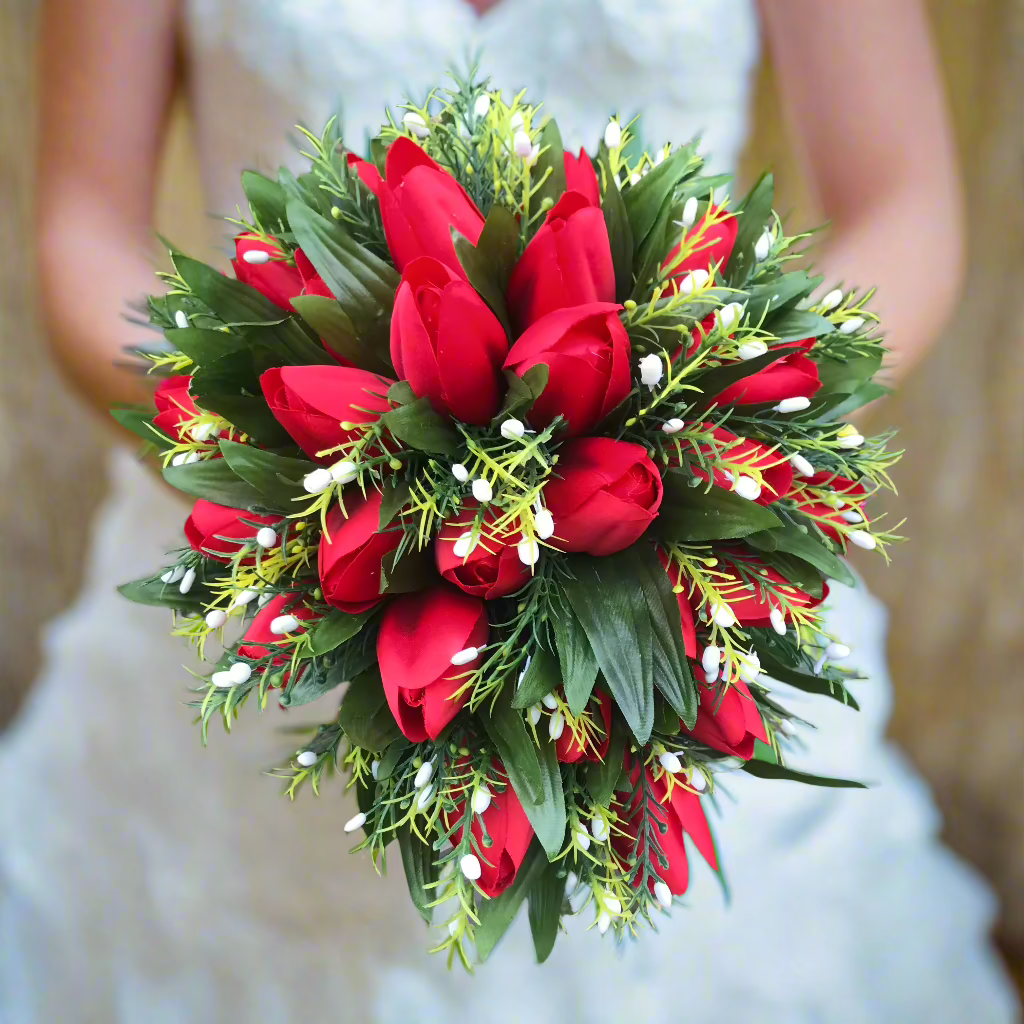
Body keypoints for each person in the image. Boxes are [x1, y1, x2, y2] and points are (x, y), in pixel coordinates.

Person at [1, 0, 1017, 1020]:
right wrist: (272, 448)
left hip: (667, 570)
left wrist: (717, 438)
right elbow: (83, 230)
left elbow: (903, 207)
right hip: (279, 556)